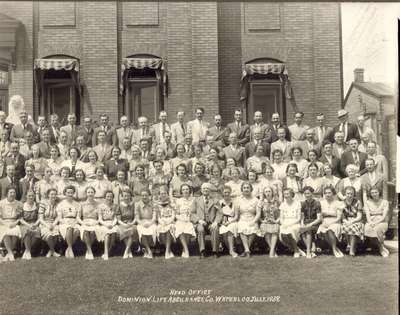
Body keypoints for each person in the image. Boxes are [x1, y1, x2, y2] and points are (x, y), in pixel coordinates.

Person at [191, 183, 221, 258]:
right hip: (201, 222)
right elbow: (192, 213)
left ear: (210, 190)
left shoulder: (215, 200)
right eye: (204, 188)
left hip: (212, 222)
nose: (205, 190)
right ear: (201, 190)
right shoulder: (196, 200)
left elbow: (219, 213)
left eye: (207, 188)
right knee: (200, 229)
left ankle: (215, 251)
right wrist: (199, 220)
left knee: (215, 229)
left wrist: (216, 222)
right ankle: (202, 251)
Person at [317, 186, 344, 258]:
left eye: (329, 193)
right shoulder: (321, 203)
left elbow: (338, 217)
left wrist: (330, 222)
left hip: (335, 221)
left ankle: (334, 249)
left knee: (330, 229)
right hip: (324, 221)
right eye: (325, 193)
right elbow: (320, 216)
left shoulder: (338, 203)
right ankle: (335, 249)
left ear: (333, 193)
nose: (327, 194)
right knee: (324, 229)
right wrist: (323, 222)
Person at [235, 182, 260, 258]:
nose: (246, 189)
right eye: (244, 188)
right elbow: (237, 214)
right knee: (241, 227)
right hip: (242, 219)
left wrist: (253, 221)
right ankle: (247, 250)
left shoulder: (256, 200)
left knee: (253, 227)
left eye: (248, 188)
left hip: (252, 218)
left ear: (251, 189)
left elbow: (258, 213)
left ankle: (246, 250)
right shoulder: (238, 200)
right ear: (242, 189)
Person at [56, 185, 81, 258]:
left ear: (73, 193)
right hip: (64, 221)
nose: (70, 194)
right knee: (69, 228)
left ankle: (68, 248)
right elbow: (59, 217)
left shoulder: (78, 204)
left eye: (71, 192)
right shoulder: (60, 204)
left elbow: (78, 217)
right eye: (68, 192)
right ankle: (70, 248)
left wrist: (75, 222)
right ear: (65, 193)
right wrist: (65, 222)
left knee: (77, 230)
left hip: (74, 221)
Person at [364, 187, 390, 257]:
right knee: (367, 228)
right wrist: (370, 222)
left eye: (376, 192)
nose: (374, 194)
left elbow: (384, 216)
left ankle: (381, 249)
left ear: (379, 193)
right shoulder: (367, 202)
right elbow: (367, 215)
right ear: (370, 194)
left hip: (382, 221)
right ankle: (381, 247)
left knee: (377, 229)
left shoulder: (385, 202)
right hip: (371, 221)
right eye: (372, 193)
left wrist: (375, 223)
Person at [279, 188, 303, 258]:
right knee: (283, 233)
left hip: (294, 223)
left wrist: (290, 224)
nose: (286, 196)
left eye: (287, 194)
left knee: (290, 231)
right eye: (284, 194)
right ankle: (298, 250)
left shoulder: (297, 203)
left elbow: (298, 218)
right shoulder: (283, 204)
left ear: (292, 194)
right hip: (285, 223)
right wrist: (283, 224)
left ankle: (296, 251)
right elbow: (281, 218)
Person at [0, 187, 23, 261]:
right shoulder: (1, 203)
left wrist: (14, 223)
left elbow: (20, 218)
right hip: (4, 222)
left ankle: (9, 253)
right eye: (11, 192)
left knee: (15, 232)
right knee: (5, 232)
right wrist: (5, 224)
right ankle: (10, 253)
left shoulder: (19, 203)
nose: (13, 194)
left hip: (14, 222)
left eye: (14, 192)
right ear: (7, 193)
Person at [174, 184, 196, 258]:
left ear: (189, 190)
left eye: (187, 189)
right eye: (183, 190)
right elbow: (176, 214)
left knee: (188, 227)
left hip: (191, 219)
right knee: (180, 227)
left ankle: (184, 249)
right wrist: (181, 219)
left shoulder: (194, 200)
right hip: (181, 218)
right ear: (181, 191)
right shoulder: (178, 201)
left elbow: (195, 212)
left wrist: (189, 218)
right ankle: (186, 250)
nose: (185, 191)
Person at [77, 186, 99, 260]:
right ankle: (90, 251)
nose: (90, 194)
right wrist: (83, 223)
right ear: (86, 193)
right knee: (86, 231)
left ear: (94, 193)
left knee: (92, 232)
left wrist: (96, 222)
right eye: (88, 192)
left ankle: (88, 250)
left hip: (94, 222)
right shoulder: (82, 204)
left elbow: (100, 218)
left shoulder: (98, 204)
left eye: (92, 192)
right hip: (85, 222)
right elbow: (78, 217)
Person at [300, 186, 322, 258]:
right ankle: (312, 250)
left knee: (308, 230)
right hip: (306, 222)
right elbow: (302, 217)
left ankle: (308, 252)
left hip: (315, 223)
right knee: (302, 232)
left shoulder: (317, 203)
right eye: (305, 193)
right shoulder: (303, 203)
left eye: (308, 193)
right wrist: (303, 224)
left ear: (312, 194)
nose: (307, 195)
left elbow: (319, 218)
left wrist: (310, 224)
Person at [341, 186, 364, 256]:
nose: (349, 195)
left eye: (351, 194)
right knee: (344, 227)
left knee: (353, 227)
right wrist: (347, 222)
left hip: (356, 220)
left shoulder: (358, 202)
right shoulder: (342, 203)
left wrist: (352, 221)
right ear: (345, 194)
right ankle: (350, 244)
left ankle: (351, 250)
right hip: (345, 220)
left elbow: (359, 216)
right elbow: (342, 217)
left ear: (354, 194)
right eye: (348, 193)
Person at [258, 186, 280, 258]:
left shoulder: (277, 202)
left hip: (275, 221)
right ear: (264, 193)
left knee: (275, 230)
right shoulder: (261, 202)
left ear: (272, 192)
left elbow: (281, 214)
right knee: (265, 229)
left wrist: (276, 221)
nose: (268, 193)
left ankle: (271, 251)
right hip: (265, 222)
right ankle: (272, 250)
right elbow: (258, 214)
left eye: (269, 191)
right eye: (266, 192)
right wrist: (262, 221)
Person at [135, 189, 157, 259]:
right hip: (142, 222)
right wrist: (142, 223)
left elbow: (154, 217)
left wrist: (150, 223)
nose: (144, 197)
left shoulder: (153, 204)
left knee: (152, 229)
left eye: (146, 195)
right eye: (142, 195)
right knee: (141, 230)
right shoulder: (137, 204)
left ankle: (146, 250)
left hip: (151, 222)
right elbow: (137, 218)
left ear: (149, 196)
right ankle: (149, 250)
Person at [38, 188, 60, 257]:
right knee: (49, 234)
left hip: (54, 223)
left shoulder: (58, 204)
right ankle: (53, 251)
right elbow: (40, 218)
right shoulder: (43, 203)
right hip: (44, 223)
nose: (53, 196)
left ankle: (50, 251)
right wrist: (47, 225)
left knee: (56, 233)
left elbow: (58, 217)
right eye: (51, 194)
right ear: (48, 195)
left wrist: (53, 224)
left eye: (55, 194)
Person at [97, 190, 118, 260]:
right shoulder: (101, 206)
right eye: (107, 196)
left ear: (113, 198)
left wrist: (113, 224)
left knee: (114, 232)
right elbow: (100, 219)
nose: (109, 198)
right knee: (107, 233)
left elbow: (115, 218)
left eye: (111, 196)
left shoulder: (115, 206)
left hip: (112, 223)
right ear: (104, 197)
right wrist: (106, 225)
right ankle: (106, 252)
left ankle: (109, 251)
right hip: (104, 224)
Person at [218, 185, 238, 258]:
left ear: (230, 193)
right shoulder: (219, 203)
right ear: (222, 193)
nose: (226, 194)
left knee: (230, 228)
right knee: (223, 229)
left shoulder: (235, 202)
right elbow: (218, 215)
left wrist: (230, 222)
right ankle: (230, 249)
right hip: (223, 221)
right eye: (225, 192)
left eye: (228, 192)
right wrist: (222, 222)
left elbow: (236, 216)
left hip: (232, 221)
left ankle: (231, 250)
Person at [156, 185, 176, 259]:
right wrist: (161, 221)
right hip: (161, 221)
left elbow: (174, 214)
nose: (163, 195)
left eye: (164, 193)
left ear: (167, 194)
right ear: (159, 195)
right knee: (161, 229)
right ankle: (169, 250)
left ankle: (167, 251)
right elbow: (157, 216)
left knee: (169, 228)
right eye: (161, 193)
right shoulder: (157, 204)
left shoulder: (171, 203)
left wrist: (169, 221)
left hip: (170, 221)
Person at [116, 189, 137, 259]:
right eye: (125, 196)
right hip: (122, 223)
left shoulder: (133, 205)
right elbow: (118, 219)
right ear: (122, 196)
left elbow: (136, 217)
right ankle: (129, 251)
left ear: (130, 196)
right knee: (123, 230)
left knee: (132, 230)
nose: (126, 197)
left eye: (128, 196)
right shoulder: (119, 205)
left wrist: (132, 223)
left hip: (131, 223)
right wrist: (124, 224)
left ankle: (126, 250)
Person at [19, 190, 40, 260]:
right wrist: (28, 225)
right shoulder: (22, 205)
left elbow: (39, 218)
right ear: (26, 196)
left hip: (34, 223)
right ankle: (28, 251)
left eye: (32, 196)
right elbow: (20, 219)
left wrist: (35, 224)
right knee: (27, 231)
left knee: (37, 231)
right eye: (29, 196)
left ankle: (27, 250)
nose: (31, 197)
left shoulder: (37, 205)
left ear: (34, 196)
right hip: (25, 224)